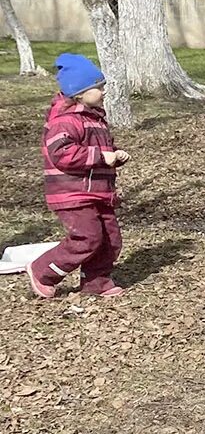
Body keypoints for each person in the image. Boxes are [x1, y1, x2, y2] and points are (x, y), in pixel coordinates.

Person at [29, 54, 128, 299]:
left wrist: (114, 154)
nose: (104, 91)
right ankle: (43, 271)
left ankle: (96, 281)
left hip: (98, 191)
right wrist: (100, 156)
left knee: (110, 239)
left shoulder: (96, 118)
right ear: (80, 92)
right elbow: (62, 154)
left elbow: (100, 151)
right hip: (72, 193)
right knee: (87, 237)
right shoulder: (64, 121)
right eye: (99, 87)